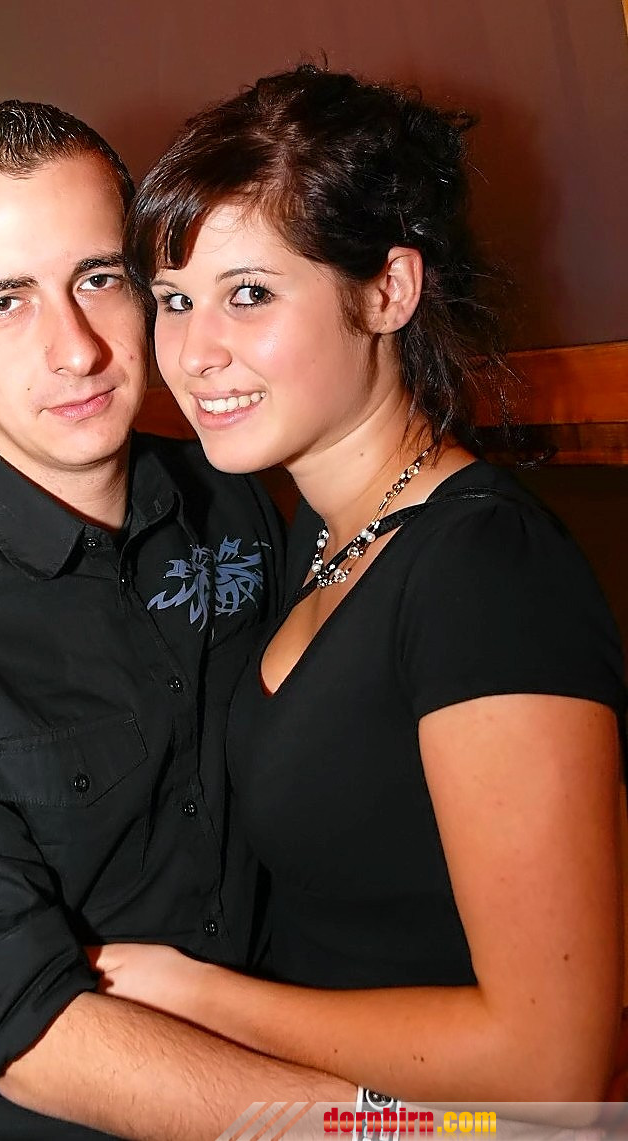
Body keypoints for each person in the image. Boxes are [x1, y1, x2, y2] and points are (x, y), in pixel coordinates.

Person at [0, 100, 358, 1141]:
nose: (76, 350)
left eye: (98, 279)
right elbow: (22, 1025)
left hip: (268, 1054)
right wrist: (424, 1128)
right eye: (4, 302)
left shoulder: (231, 492)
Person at [93, 66, 627, 1107]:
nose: (194, 354)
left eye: (250, 293)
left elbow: (548, 1061)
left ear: (388, 290)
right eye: (175, 300)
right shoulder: (324, 527)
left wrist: (197, 996)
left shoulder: (485, 575)